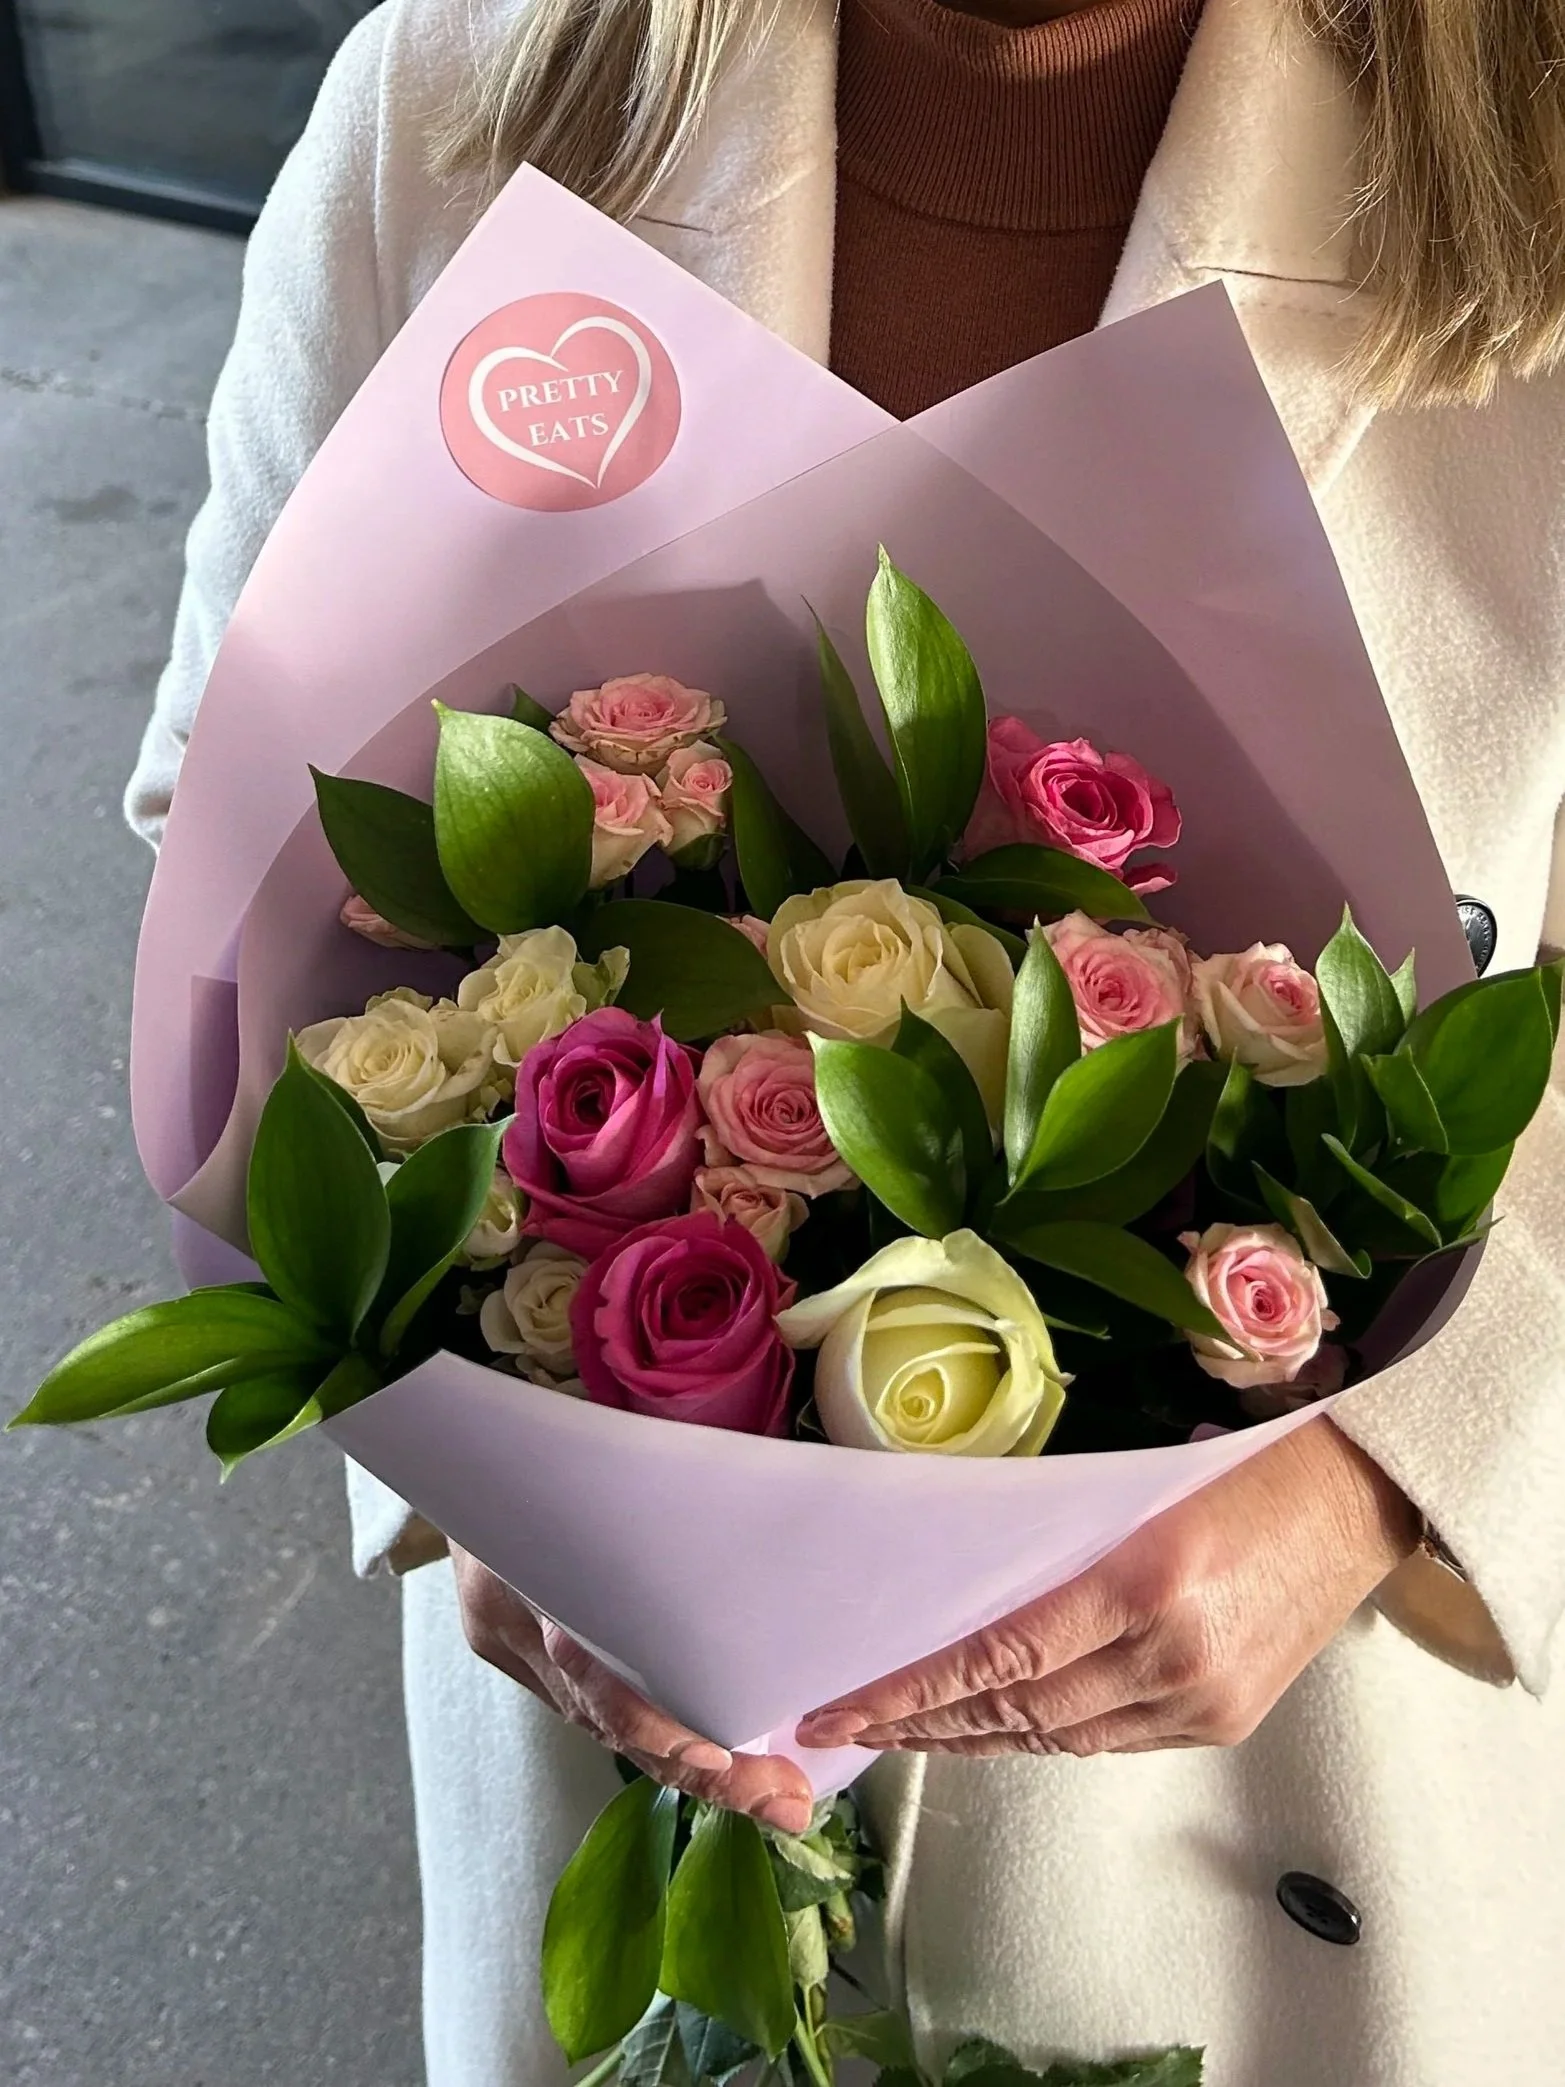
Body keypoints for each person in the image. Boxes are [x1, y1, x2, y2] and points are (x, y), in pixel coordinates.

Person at [127, 0, 1565, 2078]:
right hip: (625, 1757)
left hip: (1294, 1791)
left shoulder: (1530, 156)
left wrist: (1387, 1473)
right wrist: (460, 1469)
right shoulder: (446, 105)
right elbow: (230, 840)